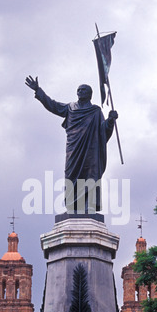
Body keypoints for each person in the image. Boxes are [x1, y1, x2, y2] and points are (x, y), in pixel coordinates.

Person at [25, 75, 118, 214]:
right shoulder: (70, 108)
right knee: (71, 175)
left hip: (91, 150)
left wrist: (110, 120)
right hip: (74, 149)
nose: (80, 92)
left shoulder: (96, 111)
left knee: (90, 176)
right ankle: (73, 207)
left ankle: (89, 207)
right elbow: (53, 105)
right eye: (79, 89)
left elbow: (103, 131)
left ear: (90, 94)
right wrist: (38, 90)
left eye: (84, 90)